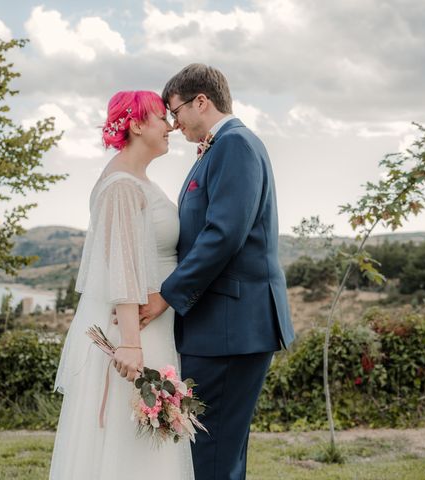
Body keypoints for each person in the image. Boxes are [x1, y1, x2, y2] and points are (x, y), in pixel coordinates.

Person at [139, 64, 295, 480]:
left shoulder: (235, 145)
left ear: (201, 101)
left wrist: (167, 295)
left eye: (176, 112)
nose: (175, 124)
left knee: (210, 453)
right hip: (222, 325)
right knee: (217, 451)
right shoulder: (222, 146)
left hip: (230, 327)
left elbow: (223, 234)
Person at [48, 91, 194, 479]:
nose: (171, 127)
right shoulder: (122, 186)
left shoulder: (136, 179)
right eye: (162, 119)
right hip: (136, 331)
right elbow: (122, 269)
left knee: (146, 446)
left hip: (153, 324)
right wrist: (131, 344)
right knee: (128, 444)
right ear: (136, 124)